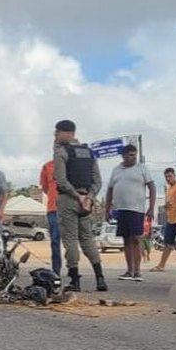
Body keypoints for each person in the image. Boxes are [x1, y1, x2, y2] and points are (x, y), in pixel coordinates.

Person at [52, 119, 107, 294]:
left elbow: (61, 180)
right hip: (86, 203)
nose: (55, 136)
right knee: (88, 239)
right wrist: (88, 198)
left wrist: (77, 196)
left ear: (67, 133)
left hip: (69, 199)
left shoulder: (62, 153)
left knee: (70, 240)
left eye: (57, 132)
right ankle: (100, 278)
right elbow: (97, 181)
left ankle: (75, 280)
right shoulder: (89, 152)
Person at [104, 143, 155, 282]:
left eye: (135, 155)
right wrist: (107, 208)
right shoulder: (116, 170)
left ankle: (138, 271)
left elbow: (152, 186)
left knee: (136, 239)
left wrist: (151, 207)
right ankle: (129, 270)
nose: (133, 158)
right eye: (130, 155)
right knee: (126, 240)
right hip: (121, 210)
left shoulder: (142, 169)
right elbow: (109, 190)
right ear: (124, 155)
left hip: (137, 209)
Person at [150, 167, 176, 272]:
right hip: (170, 220)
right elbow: (170, 204)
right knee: (167, 244)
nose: (168, 178)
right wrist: (166, 206)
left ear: (174, 176)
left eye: (170, 176)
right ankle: (161, 265)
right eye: (166, 177)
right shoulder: (169, 189)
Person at [39, 154, 62, 276]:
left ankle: (74, 272)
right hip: (53, 209)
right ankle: (56, 271)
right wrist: (54, 196)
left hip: (69, 209)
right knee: (55, 241)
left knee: (71, 242)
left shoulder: (70, 165)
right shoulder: (47, 166)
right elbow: (45, 188)